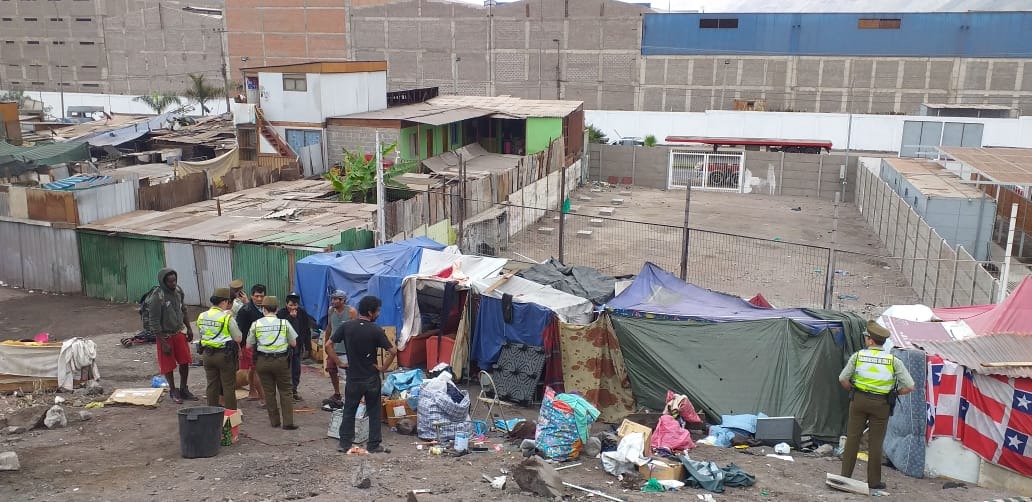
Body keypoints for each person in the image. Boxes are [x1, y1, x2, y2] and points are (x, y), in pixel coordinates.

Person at [839, 320, 915, 490]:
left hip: (858, 400)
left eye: (867, 338)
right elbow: (910, 386)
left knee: (852, 439)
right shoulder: (893, 361)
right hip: (881, 404)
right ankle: (873, 481)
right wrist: (894, 393)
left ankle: (845, 477)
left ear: (871, 341)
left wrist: (853, 389)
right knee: (876, 442)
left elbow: (842, 379)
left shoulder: (858, 356)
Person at [334, 295, 396, 454]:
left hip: (353, 377)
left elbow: (328, 344)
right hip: (371, 378)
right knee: (374, 411)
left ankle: (344, 443)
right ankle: (374, 445)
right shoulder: (376, 330)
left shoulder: (347, 326)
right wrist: (383, 368)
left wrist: (339, 362)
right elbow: (393, 351)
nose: (379, 313)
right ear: (370, 312)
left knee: (349, 410)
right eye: (378, 311)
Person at [144, 268, 197, 404]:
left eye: (174, 280)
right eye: (170, 281)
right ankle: (173, 390)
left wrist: (189, 329)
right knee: (168, 366)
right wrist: (163, 342)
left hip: (179, 331)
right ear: (163, 281)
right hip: (165, 335)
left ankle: (184, 388)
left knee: (185, 361)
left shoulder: (178, 291)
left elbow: (183, 309)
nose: (173, 284)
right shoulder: (157, 297)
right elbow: (154, 321)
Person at [246, 296, 300, 430]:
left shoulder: (256, 324)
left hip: (262, 361)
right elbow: (293, 343)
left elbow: (248, 346)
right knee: (286, 391)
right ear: (276, 310)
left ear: (263, 309)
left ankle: (274, 421)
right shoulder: (284, 323)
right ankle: (287, 422)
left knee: (269, 392)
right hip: (281, 361)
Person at [197, 288, 243, 410]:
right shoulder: (226, 317)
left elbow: (201, 334)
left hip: (207, 354)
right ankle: (230, 415)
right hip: (224, 355)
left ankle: (211, 414)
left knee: (212, 385)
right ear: (224, 301)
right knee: (228, 386)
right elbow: (238, 338)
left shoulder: (202, 316)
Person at [278, 292, 316, 401]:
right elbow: (281, 328)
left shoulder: (302, 313)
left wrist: (308, 347)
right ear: (286, 304)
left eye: (295, 305)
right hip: (284, 347)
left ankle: (294, 390)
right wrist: (290, 317)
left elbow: (306, 330)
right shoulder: (281, 313)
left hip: (298, 346)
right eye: (290, 305)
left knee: (296, 370)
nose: (293, 308)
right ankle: (287, 393)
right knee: (286, 370)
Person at [323, 290, 357, 401]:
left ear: (342, 300)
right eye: (332, 299)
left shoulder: (351, 312)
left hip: (346, 348)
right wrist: (326, 343)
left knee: (347, 375)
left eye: (335, 299)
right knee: (331, 370)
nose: (333, 301)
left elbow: (356, 330)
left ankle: (351, 396)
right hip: (333, 348)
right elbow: (329, 327)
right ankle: (337, 393)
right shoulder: (331, 311)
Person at [236, 284, 267, 405]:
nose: (259, 299)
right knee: (256, 370)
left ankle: (252, 392)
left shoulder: (265, 308)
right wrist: (240, 347)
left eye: (262, 296)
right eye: (257, 296)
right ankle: (262, 397)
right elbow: (239, 330)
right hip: (249, 345)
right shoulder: (245, 310)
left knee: (253, 370)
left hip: (262, 345)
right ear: (251, 296)